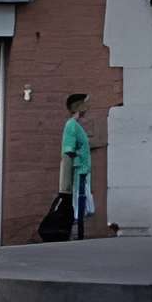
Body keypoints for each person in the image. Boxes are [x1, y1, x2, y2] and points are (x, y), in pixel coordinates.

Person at [59, 93, 95, 236]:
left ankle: (78, 232)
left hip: (83, 170)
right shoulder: (71, 125)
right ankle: (76, 234)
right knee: (78, 203)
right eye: (85, 104)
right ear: (78, 107)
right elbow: (68, 149)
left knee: (83, 203)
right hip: (79, 172)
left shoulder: (76, 125)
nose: (87, 108)